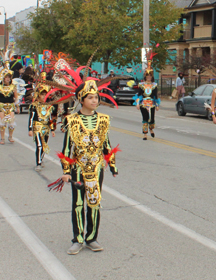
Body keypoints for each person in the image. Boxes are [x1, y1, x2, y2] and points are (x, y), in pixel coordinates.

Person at [58, 79, 119, 255]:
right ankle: (77, 239)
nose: (94, 101)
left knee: (94, 203)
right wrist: (66, 171)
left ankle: (91, 238)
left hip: (97, 169)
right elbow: (67, 148)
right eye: (90, 97)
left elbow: (107, 144)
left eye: (96, 97)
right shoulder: (72, 120)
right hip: (78, 169)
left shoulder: (103, 120)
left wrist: (112, 165)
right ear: (81, 99)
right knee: (78, 204)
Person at [28, 75, 57, 171]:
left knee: (44, 145)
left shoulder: (49, 106)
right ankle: (38, 163)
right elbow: (31, 118)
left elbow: (50, 118)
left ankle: (41, 158)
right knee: (39, 145)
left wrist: (52, 129)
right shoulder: (34, 106)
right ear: (38, 95)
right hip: (37, 127)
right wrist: (30, 129)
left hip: (46, 128)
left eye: (45, 94)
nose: (44, 96)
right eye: (42, 94)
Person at [0, 69, 20, 144]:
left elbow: (16, 98)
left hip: (11, 105)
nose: (8, 79)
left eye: (9, 77)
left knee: (11, 122)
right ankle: (2, 138)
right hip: (1, 106)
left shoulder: (13, 87)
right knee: (3, 122)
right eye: (6, 77)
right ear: (3, 78)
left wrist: (17, 107)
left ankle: (10, 136)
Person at [134, 61, 160, 140]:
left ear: (152, 77)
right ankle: (145, 134)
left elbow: (155, 96)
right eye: (147, 75)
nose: (148, 77)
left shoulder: (154, 85)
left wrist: (157, 105)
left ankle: (151, 129)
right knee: (145, 118)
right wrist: (137, 103)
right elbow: (138, 94)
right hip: (143, 104)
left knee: (151, 118)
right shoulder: (142, 85)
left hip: (151, 103)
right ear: (145, 76)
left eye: (150, 76)